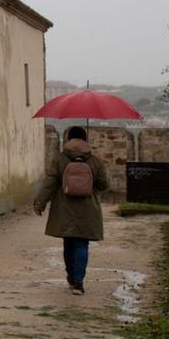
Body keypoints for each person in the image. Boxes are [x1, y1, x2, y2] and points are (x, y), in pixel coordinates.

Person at [33, 126, 109, 295]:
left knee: (68, 243)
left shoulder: (59, 159)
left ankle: (71, 276)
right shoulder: (95, 161)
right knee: (82, 243)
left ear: (68, 139)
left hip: (64, 208)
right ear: (85, 140)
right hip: (88, 208)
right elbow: (104, 184)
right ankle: (79, 283)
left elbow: (50, 183)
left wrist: (40, 203)